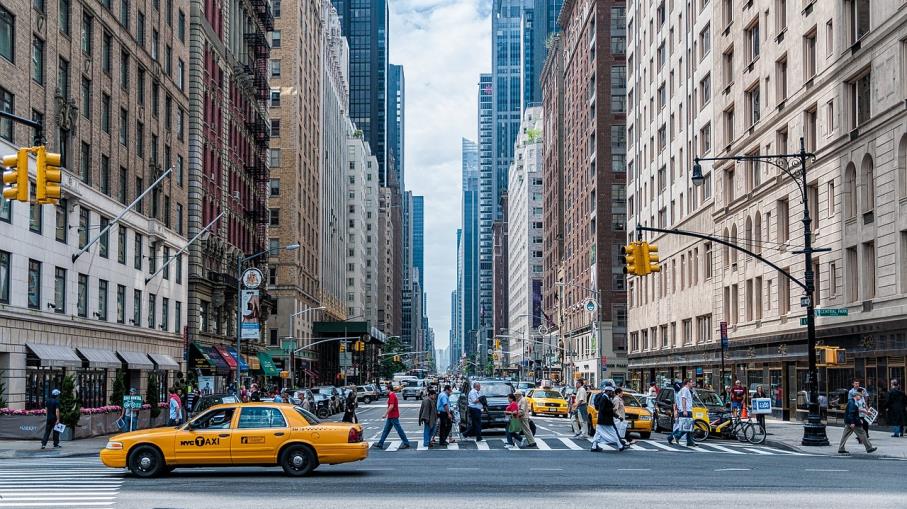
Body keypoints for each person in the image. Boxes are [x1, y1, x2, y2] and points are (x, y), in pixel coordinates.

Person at [375, 382, 412, 450]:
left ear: (389, 389)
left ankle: (406, 443)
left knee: (399, 430)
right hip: (391, 416)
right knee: (386, 430)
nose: (385, 390)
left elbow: (391, 406)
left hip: (393, 416)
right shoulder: (391, 395)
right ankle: (380, 443)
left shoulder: (392, 395)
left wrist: (385, 414)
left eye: (386, 389)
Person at [838, 390, 877, 454]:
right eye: (860, 396)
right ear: (856, 396)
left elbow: (855, 411)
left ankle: (841, 448)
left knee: (845, 435)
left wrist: (863, 414)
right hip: (853, 422)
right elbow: (851, 413)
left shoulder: (853, 402)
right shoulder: (852, 403)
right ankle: (869, 448)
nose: (861, 398)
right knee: (862, 433)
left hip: (850, 421)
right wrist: (852, 422)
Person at [590, 386, 624, 452]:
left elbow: (606, 410)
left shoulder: (606, 398)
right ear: (608, 391)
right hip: (606, 420)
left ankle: (594, 446)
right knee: (613, 433)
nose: (612, 393)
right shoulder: (604, 398)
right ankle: (620, 446)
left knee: (598, 433)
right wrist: (613, 410)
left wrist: (618, 416)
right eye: (611, 392)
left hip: (602, 420)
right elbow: (603, 409)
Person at [669, 379, 695, 447]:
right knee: (686, 426)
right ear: (687, 383)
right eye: (691, 382)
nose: (693, 384)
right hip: (686, 410)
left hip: (687, 410)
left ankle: (689, 441)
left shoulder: (684, 390)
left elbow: (678, 401)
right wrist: (684, 410)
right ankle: (676, 437)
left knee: (687, 426)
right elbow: (683, 400)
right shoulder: (685, 390)